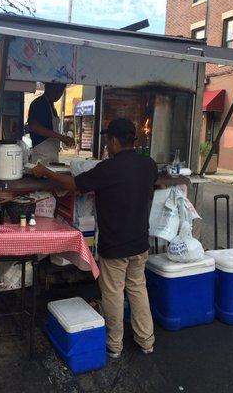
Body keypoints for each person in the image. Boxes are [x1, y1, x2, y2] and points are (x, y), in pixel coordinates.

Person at [32, 118, 157, 358]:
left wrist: (45, 172)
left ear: (113, 141)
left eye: (108, 140)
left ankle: (115, 345)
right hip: (140, 243)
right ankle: (146, 340)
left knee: (112, 293)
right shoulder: (148, 165)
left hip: (115, 245)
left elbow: (74, 184)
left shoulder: (108, 169)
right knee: (138, 289)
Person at [28, 83, 75, 164]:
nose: (58, 94)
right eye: (56, 90)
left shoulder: (52, 106)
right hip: (41, 156)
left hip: (52, 155)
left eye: (61, 91)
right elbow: (35, 127)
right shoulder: (39, 103)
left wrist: (63, 138)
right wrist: (61, 137)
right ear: (48, 87)